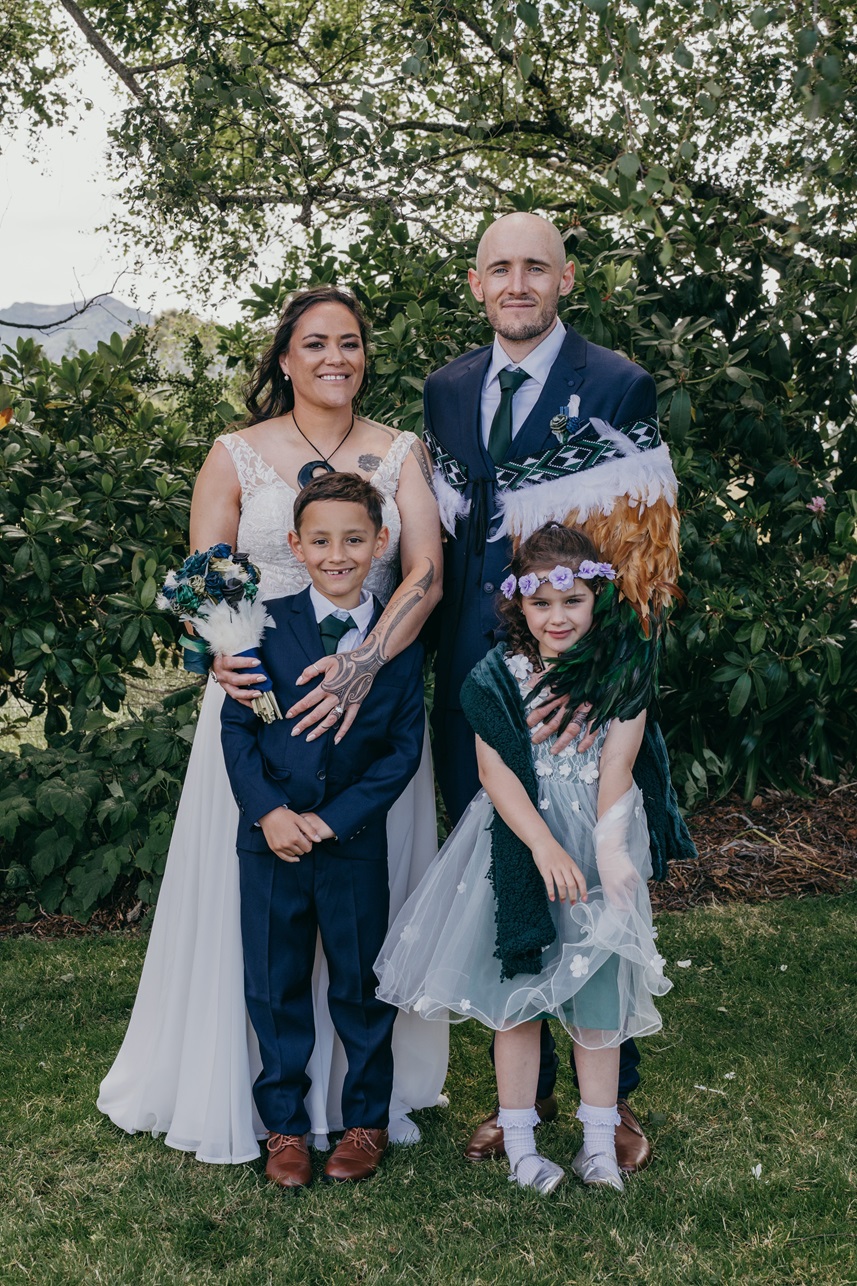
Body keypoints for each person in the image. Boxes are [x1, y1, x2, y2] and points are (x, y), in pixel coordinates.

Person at [98, 286, 447, 1162]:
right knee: (266, 934)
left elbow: (426, 575)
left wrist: (366, 667)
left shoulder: (401, 451)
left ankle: (361, 1103)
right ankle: (266, 1101)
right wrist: (213, 648)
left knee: (365, 921)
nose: (337, 356)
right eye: (316, 342)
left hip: (372, 708)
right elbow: (202, 581)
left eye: (352, 342)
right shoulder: (234, 455)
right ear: (283, 358)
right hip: (261, 703)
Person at [422, 212, 693, 1168]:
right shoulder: (447, 389)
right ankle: (519, 1105)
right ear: (475, 283)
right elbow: (444, 547)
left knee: (595, 876)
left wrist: (607, 684)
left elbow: (641, 558)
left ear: (565, 279)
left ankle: (608, 1104)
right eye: (500, 268)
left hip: (582, 681)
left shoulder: (618, 383)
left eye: (535, 266)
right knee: (508, 871)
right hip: (478, 675)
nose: (518, 282)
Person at [377, 524, 672, 1193]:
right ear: (518, 607)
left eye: (570, 603)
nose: (557, 617)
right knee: (516, 996)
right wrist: (541, 845)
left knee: (597, 1000)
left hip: (597, 834)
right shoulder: (496, 677)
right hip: (517, 840)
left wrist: (606, 851)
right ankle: (520, 1147)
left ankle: (598, 1143)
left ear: (595, 599)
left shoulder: (621, 672)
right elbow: (495, 773)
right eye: (540, 604)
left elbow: (618, 768)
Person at [222, 473, 425, 1188]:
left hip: (351, 844)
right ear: (295, 546)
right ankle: (283, 1127)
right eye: (320, 540)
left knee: (359, 986)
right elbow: (237, 728)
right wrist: (270, 812)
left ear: (378, 544)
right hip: (270, 841)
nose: (337, 554)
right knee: (274, 986)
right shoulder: (262, 624)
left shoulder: (392, 644)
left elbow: (402, 750)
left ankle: (363, 1122)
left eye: (352, 539)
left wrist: (334, 820)